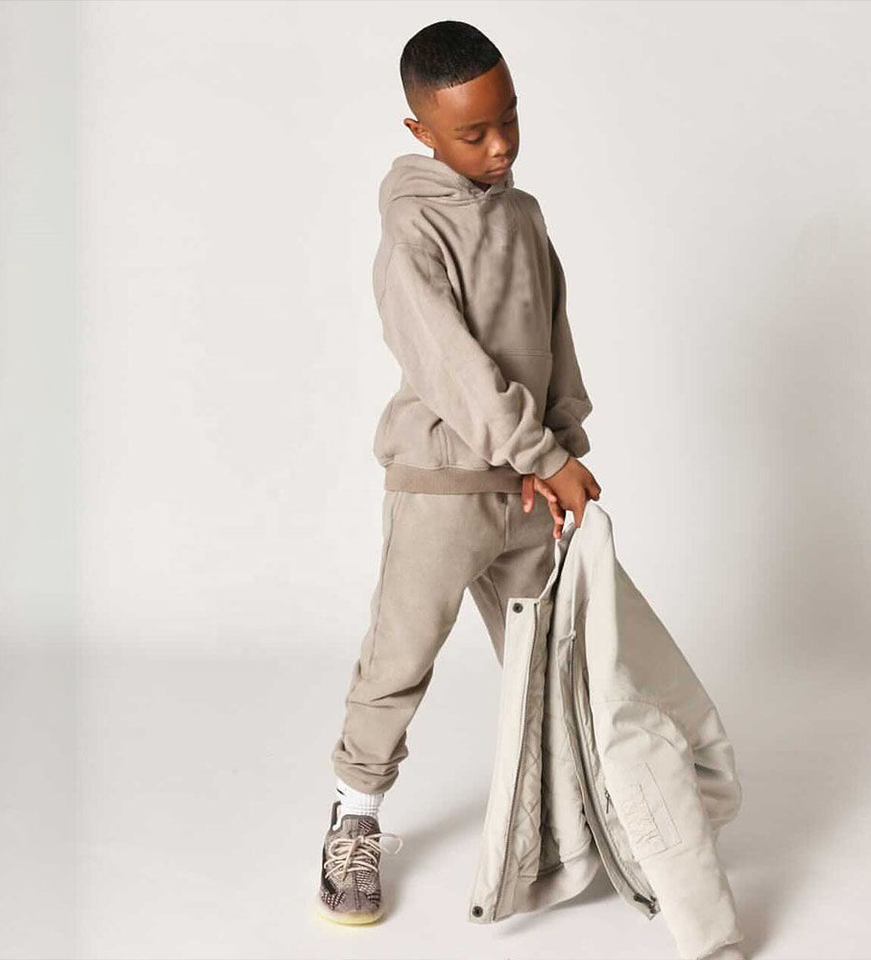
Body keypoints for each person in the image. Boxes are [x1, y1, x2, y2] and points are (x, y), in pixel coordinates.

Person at [316, 19, 601, 926]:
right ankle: (353, 820)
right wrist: (544, 454)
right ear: (421, 132)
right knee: (399, 659)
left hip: (528, 489)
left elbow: (552, 333)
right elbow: (452, 367)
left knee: (551, 661)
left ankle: (559, 820)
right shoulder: (412, 229)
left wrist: (562, 442)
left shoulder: (523, 213)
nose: (500, 145)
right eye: (473, 133)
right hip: (443, 489)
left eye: (508, 118)